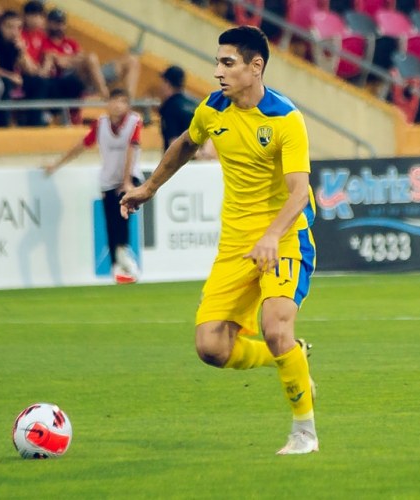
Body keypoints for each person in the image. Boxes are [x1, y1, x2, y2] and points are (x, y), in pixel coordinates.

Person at [120, 26, 318, 455]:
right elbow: (185, 144)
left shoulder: (285, 118)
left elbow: (299, 193)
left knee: (275, 327)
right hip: (236, 244)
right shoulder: (212, 109)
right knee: (210, 347)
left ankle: (304, 432)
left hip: (285, 237)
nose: (217, 72)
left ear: (255, 66)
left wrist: (271, 235)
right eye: (217, 63)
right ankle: (293, 358)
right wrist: (149, 187)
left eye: (227, 63)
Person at [44, 89, 144, 284]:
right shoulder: (101, 124)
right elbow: (82, 145)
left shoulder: (134, 122)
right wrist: (56, 165)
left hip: (129, 177)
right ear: (108, 103)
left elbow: (131, 149)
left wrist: (126, 181)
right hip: (108, 179)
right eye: (114, 101)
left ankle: (123, 252)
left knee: (123, 212)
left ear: (128, 105)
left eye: (122, 102)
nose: (118, 106)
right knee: (110, 222)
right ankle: (117, 266)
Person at [0, 9, 50, 127]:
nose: (14, 32)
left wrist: (23, 51)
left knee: (38, 82)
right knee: (4, 83)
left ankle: (34, 122)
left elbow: (31, 71)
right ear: (1, 26)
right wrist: (12, 77)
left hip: (12, 77)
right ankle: (3, 123)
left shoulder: (15, 44)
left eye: (18, 28)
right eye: (10, 27)